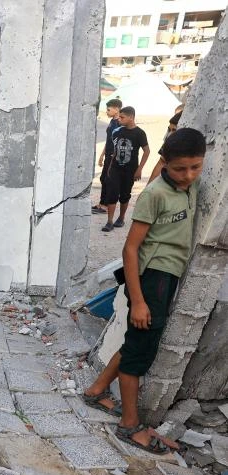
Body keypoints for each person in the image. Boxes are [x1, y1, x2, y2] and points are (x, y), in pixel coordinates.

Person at [81, 128, 206, 455]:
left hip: (167, 276)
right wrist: (138, 300)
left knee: (136, 341)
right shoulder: (155, 195)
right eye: (180, 169)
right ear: (165, 163)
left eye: (195, 167)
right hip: (154, 277)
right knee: (140, 352)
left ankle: (96, 389)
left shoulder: (186, 187)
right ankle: (129, 425)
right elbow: (130, 249)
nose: (188, 175)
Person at [101, 106, 150, 232]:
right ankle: (109, 221)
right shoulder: (117, 131)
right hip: (116, 168)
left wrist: (139, 169)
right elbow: (115, 151)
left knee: (124, 195)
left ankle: (121, 218)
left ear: (131, 117)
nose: (119, 119)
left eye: (122, 117)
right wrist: (110, 167)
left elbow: (146, 151)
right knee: (112, 193)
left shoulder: (140, 133)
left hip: (130, 169)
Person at [93, 98, 123, 214]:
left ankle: (105, 206)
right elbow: (108, 140)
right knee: (103, 178)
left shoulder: (119, 124)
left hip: (113, 156)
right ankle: (101, 203)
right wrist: (102, 155)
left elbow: (118, 142)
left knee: (108, 180)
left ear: (116, 109)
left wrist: (113, 157)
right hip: (108, 154)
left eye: (109, 109)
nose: (107, 112)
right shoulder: (112, 122)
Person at [149, 110, 183, 183]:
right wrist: (147, 189)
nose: (169, 134)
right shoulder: (169, 142)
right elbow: (161, 162)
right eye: (169, 130)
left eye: (174, 130)